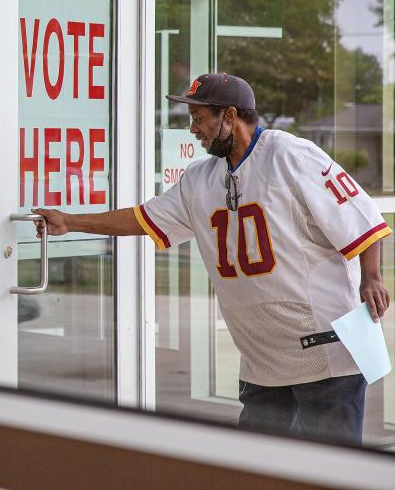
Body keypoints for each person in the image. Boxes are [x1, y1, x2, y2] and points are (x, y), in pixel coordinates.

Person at [33, 72, 391, 445]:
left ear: (230, 115)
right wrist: (71, 221)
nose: (192, 129)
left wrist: (371, 276)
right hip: (263, 360)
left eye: (199, 117)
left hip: (326, 354)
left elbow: (360, 218)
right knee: (256, 468)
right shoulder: (200, 179)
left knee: (327, 469)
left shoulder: (291, 155)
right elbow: (144, 217)